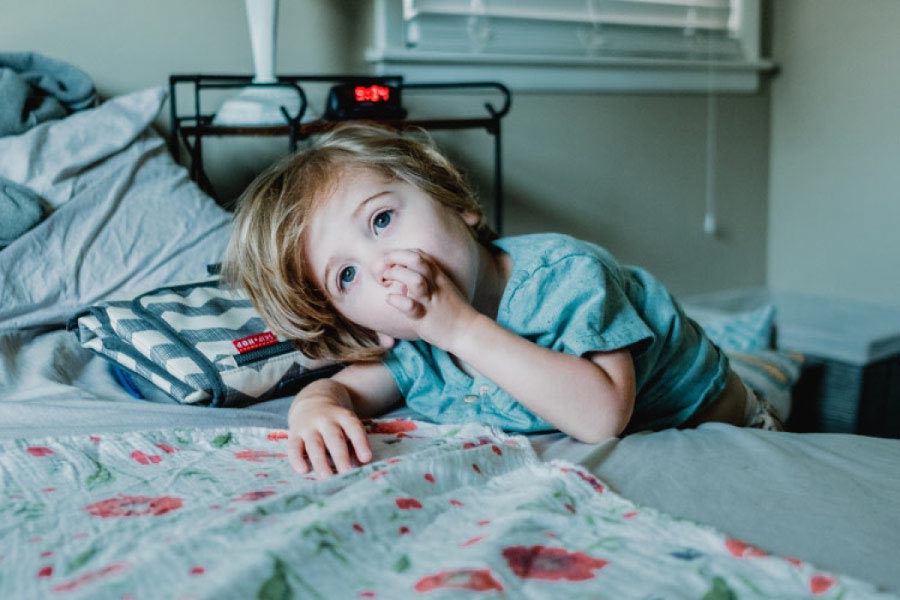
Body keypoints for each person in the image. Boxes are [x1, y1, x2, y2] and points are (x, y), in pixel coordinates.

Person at [223, 123, 781, 480]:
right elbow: (344, 386)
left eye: (383, 219)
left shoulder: (566, 275)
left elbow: (602, 415)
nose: (382, 267)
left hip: (721, 420)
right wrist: (315, 406)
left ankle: (753, 360)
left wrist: (460, 328)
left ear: (454, 201)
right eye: (346, 276)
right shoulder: (417, 343)